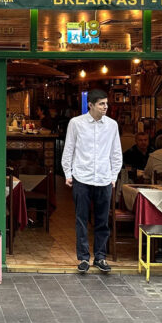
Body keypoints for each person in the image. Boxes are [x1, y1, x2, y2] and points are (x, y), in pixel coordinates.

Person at [61, 88, 122, 274]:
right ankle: (83, 258)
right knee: (81, 219)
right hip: (82, 177)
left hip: (104, 178)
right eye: (101, 104)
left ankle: (100, 257)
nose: (105, 107)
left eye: (106, 104)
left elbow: (116, 152)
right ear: (91, 105)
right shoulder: (76, 123)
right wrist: (67, 173)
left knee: (102, 220)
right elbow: (69, 149)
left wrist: (113, 176)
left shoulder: (112, 125)